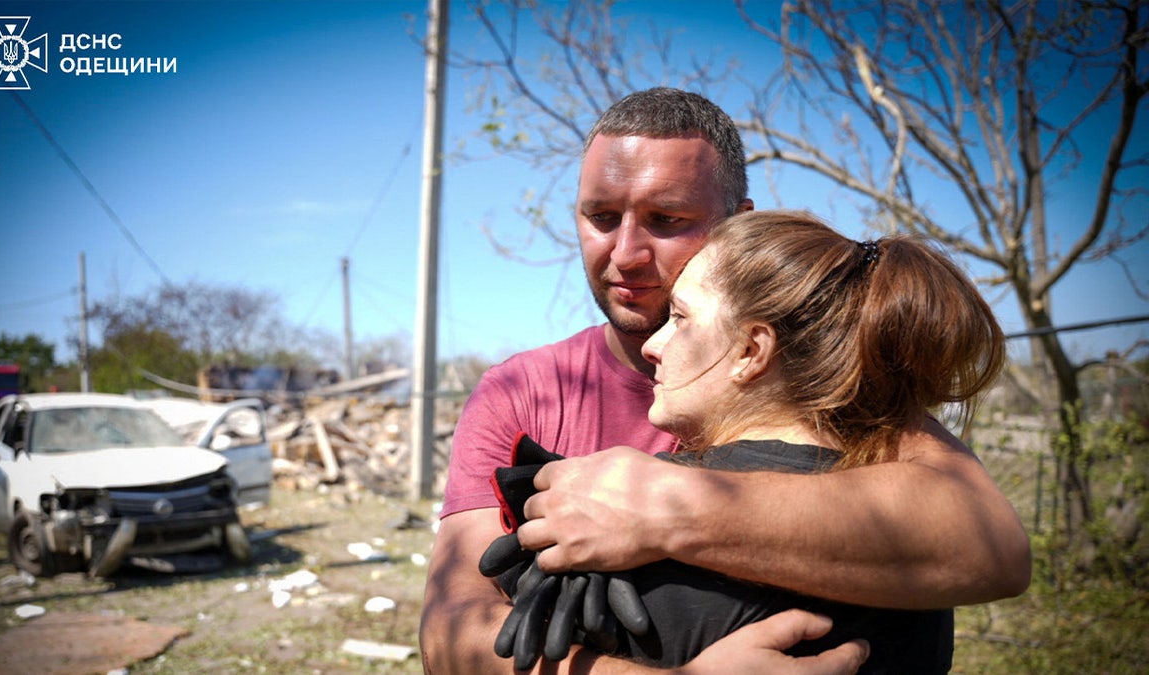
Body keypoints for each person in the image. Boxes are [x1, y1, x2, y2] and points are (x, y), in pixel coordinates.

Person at [419, 88, 1031, 674]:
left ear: (737, 225)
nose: (625, 253)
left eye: (666, 219)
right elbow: (452, 635)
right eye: (601, 217)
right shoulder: (525, 391)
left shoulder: (827, 385)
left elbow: (991, 547)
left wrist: (664, 507)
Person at [487, 210, 1008, 671]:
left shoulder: (615, 533)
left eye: (680, 318)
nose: (654, 344)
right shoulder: (915, 549)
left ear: (751, 351)